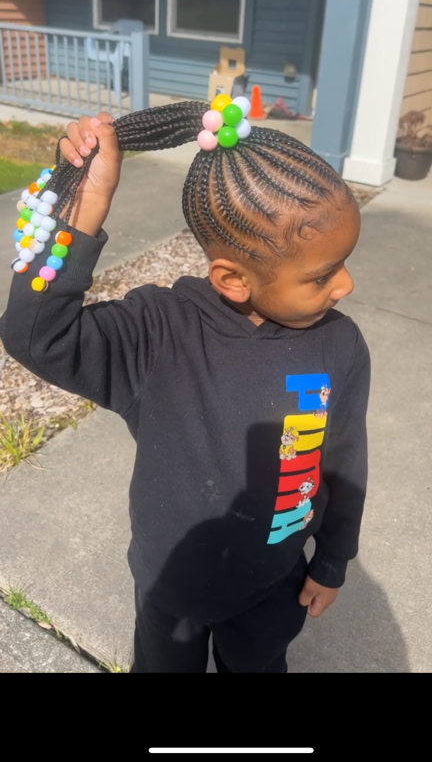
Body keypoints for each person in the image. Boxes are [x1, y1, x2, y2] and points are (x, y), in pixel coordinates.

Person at [0, 98, 370, 674]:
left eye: (343, 262)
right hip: (169, 592)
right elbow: (36, 335)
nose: (345, 284)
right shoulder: (157, 335)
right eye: (322, 275)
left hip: (274, 590)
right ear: (232, 279)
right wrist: (83, 205)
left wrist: (332, 563)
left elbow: (345, 463)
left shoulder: (339, 345)